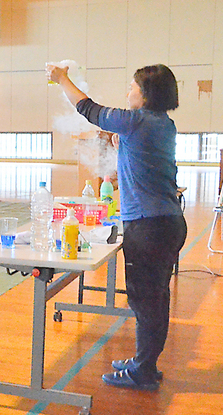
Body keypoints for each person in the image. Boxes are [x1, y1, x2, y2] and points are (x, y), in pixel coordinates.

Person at [48, 63, 187, 391]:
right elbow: (140, 155)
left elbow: (87, 108)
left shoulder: (137, 121)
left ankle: (143, 370)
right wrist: (120, 138)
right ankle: (145, 363)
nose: (128, 92)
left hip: (148, 226)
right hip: (167, 222)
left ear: (146, 93)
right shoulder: (163, 124)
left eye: (132, 87)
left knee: (145, 300)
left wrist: (61, 78)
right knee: (155, 298)